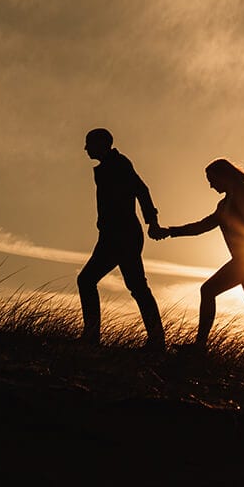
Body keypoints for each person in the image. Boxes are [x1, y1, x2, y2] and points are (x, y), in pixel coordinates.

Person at [150, 157, 244, 369]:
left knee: (208, 290)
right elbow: (201, 226)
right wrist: (170, 232)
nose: (210, 185)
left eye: (212, 179)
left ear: (223, 176)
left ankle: (200, 347)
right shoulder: (223, 205)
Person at [76, 128, 166, 352]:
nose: (85, 148)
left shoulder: (119, 163)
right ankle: (155, 339)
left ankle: (92, 337)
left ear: (101, 144)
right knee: (135, 286)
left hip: (122, 235)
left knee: (88, 280)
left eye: (89, 143)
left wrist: (152, 221)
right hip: (112, 235)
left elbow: (141, 190)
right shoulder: (109, 165)